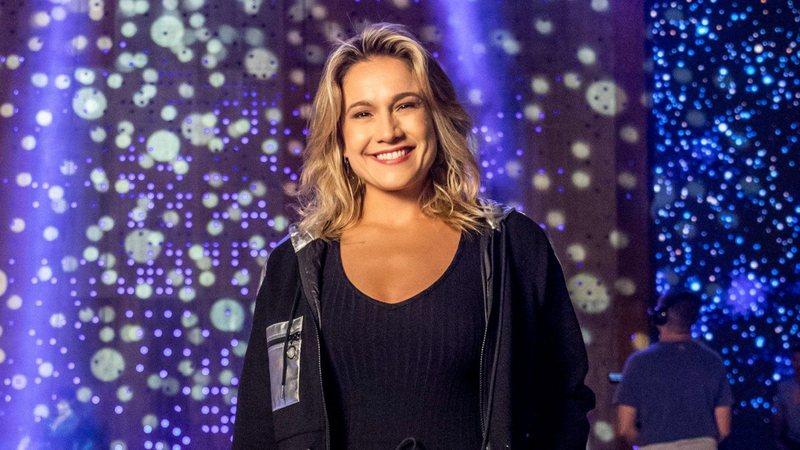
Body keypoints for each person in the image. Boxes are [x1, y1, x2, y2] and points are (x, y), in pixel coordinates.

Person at [233, 22, 594, 449]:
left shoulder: (512, 246)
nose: (388, 131)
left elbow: (564, 403)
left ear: (436, 118)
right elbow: (259, 426)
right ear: (340, 137)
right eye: (362, 113)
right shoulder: (293, 267)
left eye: (405, 105)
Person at [614, 290, 733, 450]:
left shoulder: (638, 362)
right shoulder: (713, 361)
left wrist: (646, 445)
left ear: (661, 316)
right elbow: (724, 429)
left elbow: (625, 428)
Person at [774, 345, 800, 450]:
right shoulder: (784, 387)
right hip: (792, 442)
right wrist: (778, 441)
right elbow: (779, 417)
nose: (798, 364)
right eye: (795, 360)